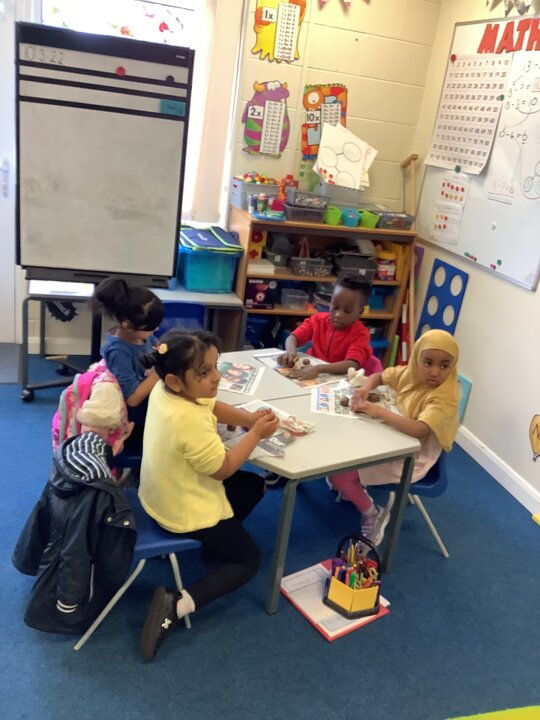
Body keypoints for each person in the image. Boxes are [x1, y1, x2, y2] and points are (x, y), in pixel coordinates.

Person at [137, 329, 279, 662]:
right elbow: (223, 469)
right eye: (204, 372)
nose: (216, 377)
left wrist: (248, 419)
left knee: (252, 485)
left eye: (216, 366)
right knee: (248, 560)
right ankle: (179, 603)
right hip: (181, 511)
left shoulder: (164, 389)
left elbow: (210, 405)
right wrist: (256, 433)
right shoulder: (187, 421)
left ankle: (214, 549)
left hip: (158, 494)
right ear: (176, 381)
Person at [13, 391, 135, 635]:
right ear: (112, 430)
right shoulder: (98, 489)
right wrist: (68, 605)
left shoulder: (70, 450)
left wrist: (114, 446)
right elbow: (75, 552)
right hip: (73, 582)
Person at [329, 329, 460, 546]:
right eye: (428, 363)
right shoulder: (410, 373)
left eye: (444, 366)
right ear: (417, 359)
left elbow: (420, 430)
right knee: (338, 452)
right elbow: (378, 376)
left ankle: (373, 513)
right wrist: (365, 388)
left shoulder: (444, 396)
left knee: (338, 474)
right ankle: (352, 484)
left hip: (413, 458)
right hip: (394, 439)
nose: (435, 372)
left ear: (452, 366)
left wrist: (379, 412)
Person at [90, 277, 164, 450]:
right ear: (127, 324)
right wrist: (159, 372)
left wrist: (162, 350)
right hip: (134, 415)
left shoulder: (141, 336)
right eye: (151, 327)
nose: (156, 330)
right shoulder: (118, 351)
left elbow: (156, 347)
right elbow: (132, 399)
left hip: (151, 393)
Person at [277, 276, 373, 381]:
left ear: (360, 312)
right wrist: (291, 352)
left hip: (338, 379)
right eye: (335, 307)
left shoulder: (360, 334)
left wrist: (318, 369)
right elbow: (293, 337)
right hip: (310, 370)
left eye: (347, 311)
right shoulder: (318, 320)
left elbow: (352, 364)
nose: (338, 314)